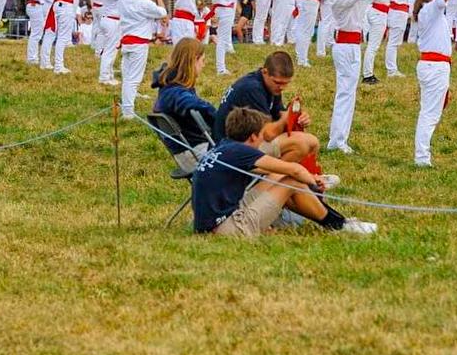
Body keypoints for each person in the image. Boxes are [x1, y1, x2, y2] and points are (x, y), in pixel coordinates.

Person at [192, 107, 375, 236]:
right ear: (253, 136)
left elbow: (268, 168)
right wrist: (311, 180)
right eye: (262, 136)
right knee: (292, 182)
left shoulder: (225, 146)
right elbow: (294, 170)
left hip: (216, 220)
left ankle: (332, 218)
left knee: (279, 176)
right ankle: (339, 225)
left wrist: (310, 177)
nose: (264, 140)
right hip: (226, 228)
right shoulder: (242, 151)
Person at [327, 0, 404, 154]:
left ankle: (338, 138)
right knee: (346, 93)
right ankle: (338, 140)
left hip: (348, 45)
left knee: (347, 92)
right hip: (346, 46)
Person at [213, 51, 331, 177]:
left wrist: (296, 117)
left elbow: (279, 113)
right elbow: (267, 134)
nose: (282, 88)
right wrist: (284, 120)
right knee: (302, 144)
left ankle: (296, 180)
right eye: (278, 82)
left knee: (310, 142)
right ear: (264, 72)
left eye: (286, 83)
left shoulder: (269, 85)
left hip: (246, 142)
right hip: (233, 148)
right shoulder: (252, 89)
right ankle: (275, 182)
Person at [412, 0, 457, 166]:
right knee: (429, 113)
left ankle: (422, 154)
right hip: (434, 65)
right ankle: (422, 157)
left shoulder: (431, 13)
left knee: (431, 111)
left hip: (435, 65)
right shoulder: (431, 9)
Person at [151, 38, 217, 170]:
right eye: (202, 61)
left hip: (194, 150)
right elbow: (187, 103)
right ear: (193, 60)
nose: (203, 65)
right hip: (195, 153)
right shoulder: (173, 92)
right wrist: (217, 115)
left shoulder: (172, 86)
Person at [117, 0, 166, 117]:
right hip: (138, 44)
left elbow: (138, 2)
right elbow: (162, 12)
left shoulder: (122, 0)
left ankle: (126, 107)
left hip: (127, 42)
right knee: (133, 79)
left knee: (127, 78)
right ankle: (128, 112)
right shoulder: (143, 3)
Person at [93, 0, 123, 86]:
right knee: (109, 50)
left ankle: (109, 74)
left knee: (111, 49)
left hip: (109, 20)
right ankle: (104, 77)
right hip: (111, 21)